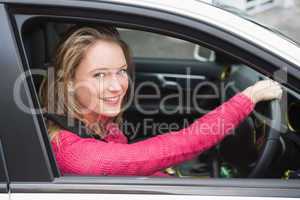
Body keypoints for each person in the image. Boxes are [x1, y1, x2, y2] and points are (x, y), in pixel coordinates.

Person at [40, 24, 282, 176]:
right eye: (100, 74)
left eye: (121, 71)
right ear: (69, 81)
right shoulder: (80, 155)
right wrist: (249, 97)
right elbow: (181, 143)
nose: (117, 86)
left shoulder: (92, 118)